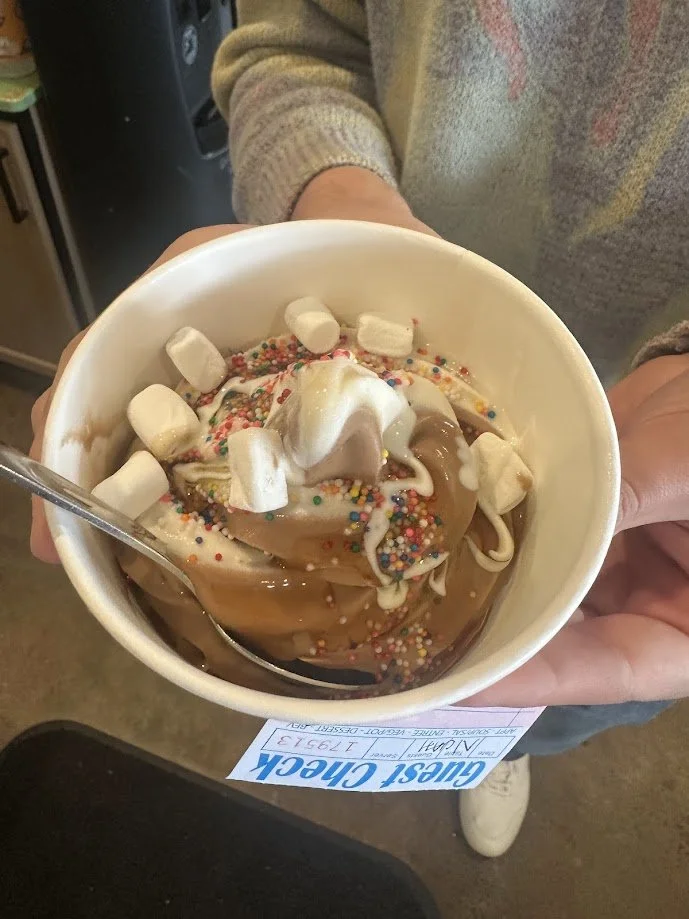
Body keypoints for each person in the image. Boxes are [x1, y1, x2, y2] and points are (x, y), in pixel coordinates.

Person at [30, 1, 689, 858]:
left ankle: (499, 745)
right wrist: (347, 206)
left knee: (546, 696)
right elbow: (292, 46)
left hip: (659, 522)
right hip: (407, 309)